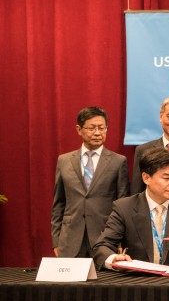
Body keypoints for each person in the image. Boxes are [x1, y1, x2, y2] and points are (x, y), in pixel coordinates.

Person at [93, 148, 169, 270]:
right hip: (136, 280)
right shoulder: (124, 208)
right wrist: (114, 258)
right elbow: (102, 246)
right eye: (166, 178)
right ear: (146, 178)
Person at [51, 106, 129, 258]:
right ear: (79, 130)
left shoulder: (118, 161)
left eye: (102, 128)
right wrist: (56, 240)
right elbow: (58, 203)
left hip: (105, 238)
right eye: (92, 128)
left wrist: (120, 241)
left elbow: (122, 204)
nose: (97, 133)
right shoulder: (64, 160)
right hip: (70, 238)